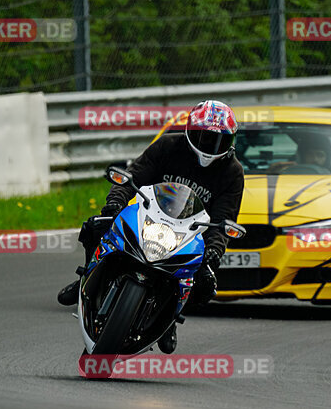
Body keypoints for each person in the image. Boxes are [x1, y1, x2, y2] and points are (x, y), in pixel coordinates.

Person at [57, 100, 245, 353]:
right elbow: (133, 176)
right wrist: (114, 205)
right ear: (190, 132)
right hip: (150, 214)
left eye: (220, 140)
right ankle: (86, 277)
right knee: (96, 226)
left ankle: (169, 319)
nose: (211, 146)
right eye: (205, 137)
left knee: (204, 282)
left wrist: (214, 251)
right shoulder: (169, 145)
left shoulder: (232, 172)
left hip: (190, 232)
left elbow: (225, 217)